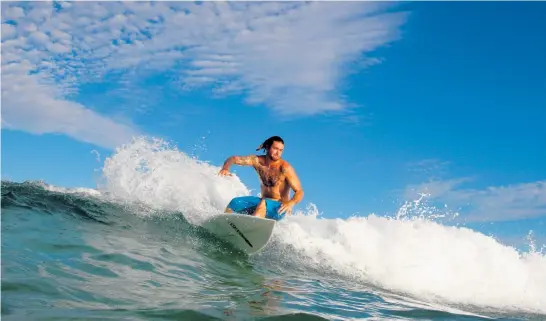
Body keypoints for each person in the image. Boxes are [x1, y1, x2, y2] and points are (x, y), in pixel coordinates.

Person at [218, 136, 304, 220]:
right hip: (262, 202)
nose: (278, 153)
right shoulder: (257, 161)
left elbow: (299, 191)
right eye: (275, 149)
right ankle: (224, 225)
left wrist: (291, 203)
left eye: (281, 150)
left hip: (278, 207)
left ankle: (251, 229)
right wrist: (225, 168)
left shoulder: (285, 168)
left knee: (263, 203)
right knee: (235, 202)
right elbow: (233, 159)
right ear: (267, 147)